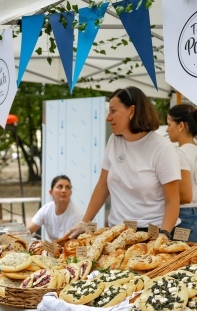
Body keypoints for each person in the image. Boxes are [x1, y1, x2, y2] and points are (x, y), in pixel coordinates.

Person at [67, 86, 181, 239]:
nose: (108, 117)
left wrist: (164, 234)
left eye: (113, 111)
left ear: (132, 111)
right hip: (117, 231)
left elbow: (172, 201)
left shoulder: (162, 148)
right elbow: (102, 185)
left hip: (153, 234)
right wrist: (84, 222)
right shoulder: (114, 141)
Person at [166, 104, 197, 244]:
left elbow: (185, 196)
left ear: (181, 125)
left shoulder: (180, 153)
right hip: (195, 215)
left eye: (169, 124)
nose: (167, 129)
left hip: (181, 217)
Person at [28, 175, 83, 241]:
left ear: (71, 193)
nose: (64, 190)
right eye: (60, 187)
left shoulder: (77, 215)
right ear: (51, 192)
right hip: (52, 249)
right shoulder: (46, 209)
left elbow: (79, 243)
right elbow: (28, 231)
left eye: (67, 187)